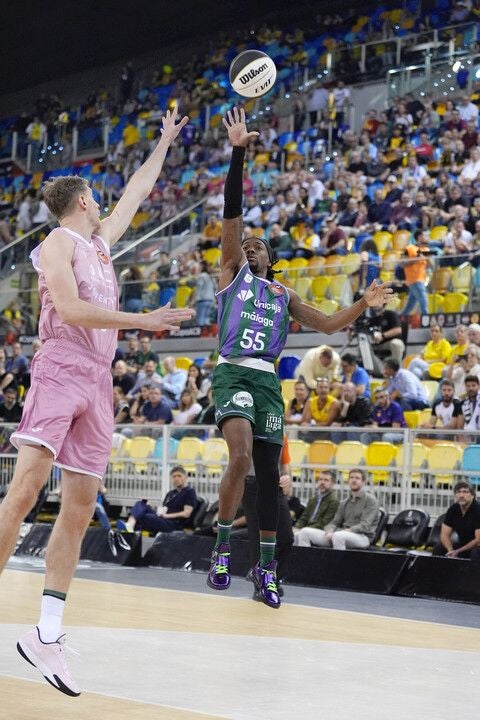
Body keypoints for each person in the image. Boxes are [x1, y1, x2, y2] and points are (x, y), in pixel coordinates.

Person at [0, 106, 193, 697]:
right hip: (59, 369)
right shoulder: (57, 243)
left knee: (80, 506)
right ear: (82, 201)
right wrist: (145, 319)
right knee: (27, 488)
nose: (106, 202)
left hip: (99, 380)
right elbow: (74, 309)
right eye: (97, 197)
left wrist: (162, 143)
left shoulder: (102, 244)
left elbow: (139, 188)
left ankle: (47, 634)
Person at [206, 105, 391, 609]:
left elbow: (330, 325)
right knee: (240, 457)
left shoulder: (282, 294)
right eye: (245, 243)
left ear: (271, 258)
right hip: (233, 372)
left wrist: (363, 303)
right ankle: (222, 547)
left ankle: (264, 569)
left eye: (258, 245)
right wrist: (239, 155)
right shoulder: (231, 275)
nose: (249, 245)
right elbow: (231, 213)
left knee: (268, 478)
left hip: (268, 381)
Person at [242, 437, 294, 599]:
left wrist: (287, 478)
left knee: (286, 538)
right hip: (252, 484)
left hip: (274, 485)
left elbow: (285, 466)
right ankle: (261, 585)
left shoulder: (281, 434)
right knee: (257, 537)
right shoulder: (248, 428)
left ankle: (271, 576)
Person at [295, 468, 379, 550]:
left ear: (363, 482)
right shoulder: (344, 502)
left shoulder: (370, 500)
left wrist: (347, 530)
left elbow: (365, 525)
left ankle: (338, 564)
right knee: (305, 532)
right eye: (351, 478)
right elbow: (334, 522)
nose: (354, 480)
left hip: (363, 537)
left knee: (338, 536)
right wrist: (330, 530)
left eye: (357, 478)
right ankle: (307, 563)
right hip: (342, 533)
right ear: (348, 481)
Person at [117, 465, 197, 535]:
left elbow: (186, 513)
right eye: (174, 476)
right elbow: (164, 510)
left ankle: (130, 527)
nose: (176, 478)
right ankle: (130, 524)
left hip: (174, 524)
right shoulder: (171, 493)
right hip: (164, 519)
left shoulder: (189, 492)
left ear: (186, 477)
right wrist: (151, 507)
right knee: (141, 503)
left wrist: (167, 516)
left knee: (143, 517)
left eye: (179, 476)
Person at [432, 482, 480, 560]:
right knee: (439, 548)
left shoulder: (478, 510)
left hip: (477, 547)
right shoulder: (453, 509)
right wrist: (450, 550)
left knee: (476, 553)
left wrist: (457, 551)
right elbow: (444, 535)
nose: (461, 495)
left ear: (473, 495)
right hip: (465, 546)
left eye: (465, 492)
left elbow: (478, 541)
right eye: (458, 492)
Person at [293, 470, 339, 546]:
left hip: (323, 532)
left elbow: (325, 522)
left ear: (332, 484)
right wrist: (296, 528)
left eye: (326, 480)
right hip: (308, 530)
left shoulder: (334, 501)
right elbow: (303, 518)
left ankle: (305, 558)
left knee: (304, 532)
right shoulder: (313, 499)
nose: (322, 482)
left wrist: (303, 529)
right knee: (293, 534)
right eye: (320, 479)